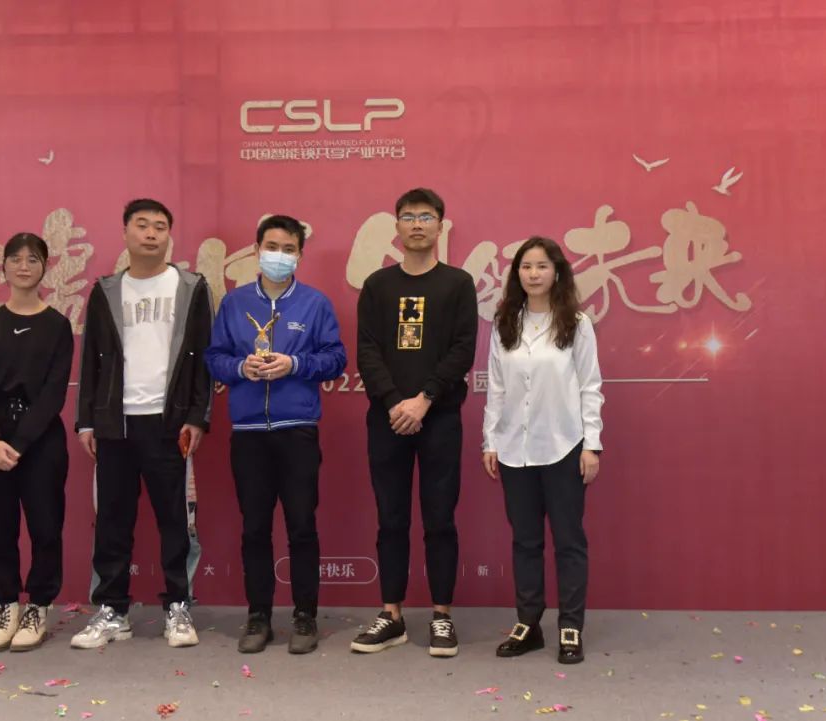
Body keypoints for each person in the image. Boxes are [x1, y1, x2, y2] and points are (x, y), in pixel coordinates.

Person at [71, 198, 213, 649]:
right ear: (125, 232)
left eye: (160, 226)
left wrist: (198, 417)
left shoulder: (190, 287)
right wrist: (86, 422)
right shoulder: (106, 290)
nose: (151, 233)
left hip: (170, 424)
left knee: (175, 520)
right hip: (116, 424)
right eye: (142, 225)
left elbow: (204, 360)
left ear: (169, 235)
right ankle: (113, 610)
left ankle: (178, 606)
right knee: (112, 521)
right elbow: (91, 360)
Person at [205, 214, 346, 655]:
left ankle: (305, 615)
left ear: (300, 255)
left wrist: (295, 364)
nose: (279, 255)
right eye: (271, 247)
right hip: (248, 432)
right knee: (254, 528)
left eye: (288, 249)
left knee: (302, 526)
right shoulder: (234, 303)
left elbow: (336, 358)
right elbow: (214, 358)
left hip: (297, 430)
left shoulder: (314, 303)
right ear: (256, 250)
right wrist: (240, 367)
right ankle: (258, 616)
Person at [352, 188, 478, 657]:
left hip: (439, 417)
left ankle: (442, 614)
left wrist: (424, 400)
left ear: (441, 225)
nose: (418, 224)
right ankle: (392, 615)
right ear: (397, 227)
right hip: (387, 420)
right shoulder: (378, 285)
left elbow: (462, 349)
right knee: (391, 519)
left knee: (440, 518)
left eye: (426, 216)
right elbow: (367, 350)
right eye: (408, 216)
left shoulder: (458, 283)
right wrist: (393, 403)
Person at [483, 236, 604, 665]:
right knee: (525, 540)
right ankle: (528, 624)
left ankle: (570, 625)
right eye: (526, 266)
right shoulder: (505, 323)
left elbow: (590, 386)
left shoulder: (576, 323)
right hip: (514, 448)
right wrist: (490, 440)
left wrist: (592, 445)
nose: (533, 274)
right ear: (516, 273)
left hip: (564, 445)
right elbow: (496, 387)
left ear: (557, 272)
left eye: (542, 266)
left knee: (569, 540)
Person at [0, 232, 73, 652]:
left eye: (32, 259)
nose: (23, 266)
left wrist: (22, 442)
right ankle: (6, 605)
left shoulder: (57, 326)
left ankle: (38, 607)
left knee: (46, 527)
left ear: (45, 267)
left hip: (41, 441)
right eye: (15, 258)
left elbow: (53, 394)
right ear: (4, 266)